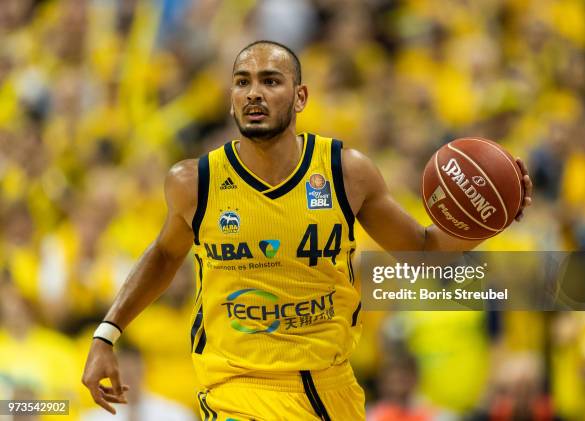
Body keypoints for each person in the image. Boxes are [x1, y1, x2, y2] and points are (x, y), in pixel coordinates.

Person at [82, 40, 533, 420]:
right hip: (236, 387)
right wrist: (108, 332)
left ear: (300, 97)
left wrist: (491, 220)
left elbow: (421, 250)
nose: (254, 93)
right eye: (243, 82)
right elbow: (163, 255)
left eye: (270, 81)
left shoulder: (346, 172)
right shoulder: (193, 181)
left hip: (331, 387)